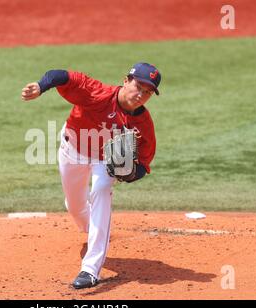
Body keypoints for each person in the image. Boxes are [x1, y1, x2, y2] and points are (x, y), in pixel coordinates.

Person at [21, 62, 161, 289]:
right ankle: (89, 225)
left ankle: (90, 269)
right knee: (75, 206)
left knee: (101, 190)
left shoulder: (142, 123)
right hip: (72, 150)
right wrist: (40, 86)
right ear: (126, 81)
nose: (141, 95)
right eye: (139, 86)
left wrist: (132, 174)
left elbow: (144, 162)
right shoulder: (97, 93)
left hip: (103, 160)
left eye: (148, 92)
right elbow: (62, 75)